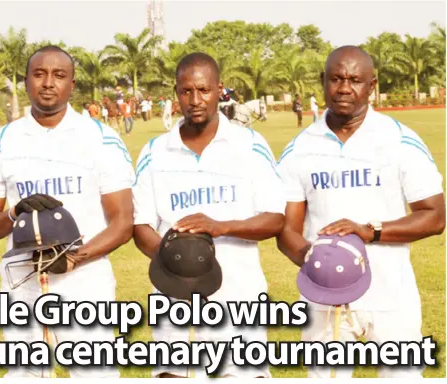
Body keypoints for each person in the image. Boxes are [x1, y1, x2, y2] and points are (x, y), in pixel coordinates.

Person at [276, 45, 445, 379]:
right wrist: (318, 263)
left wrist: (369, 231)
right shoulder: (299, 149)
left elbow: (435, 216)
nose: (343, 88)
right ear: (323, 81)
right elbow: (286, 230)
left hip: (390, 294)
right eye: (336, 79)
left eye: (355, 80)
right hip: (323, 300)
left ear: (372, 85)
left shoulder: (399, 141)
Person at [0, 45, 134, 379]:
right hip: (22, 278)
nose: (48, 83)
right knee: (25, 375)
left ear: (72, 85)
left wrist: (75, 257)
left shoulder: (100, 138)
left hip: (86, 278)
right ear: (26, 82)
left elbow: (123, 222)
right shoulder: (3, 140)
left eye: (59, 75)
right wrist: (14, 213)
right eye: (39, 74)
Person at [132, 52, 285, 378]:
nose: (195, 100)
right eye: (186, 91)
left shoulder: (249, 144)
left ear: (219, 90)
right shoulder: (154, 151)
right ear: (177, 94)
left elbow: (275, 218)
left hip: (239, 299)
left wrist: (220, 226)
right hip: (172, 299)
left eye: (203, 90)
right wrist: (175, 256)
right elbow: (141, 224)